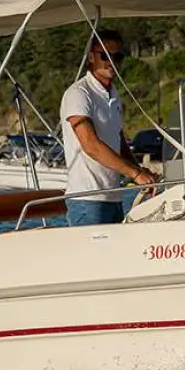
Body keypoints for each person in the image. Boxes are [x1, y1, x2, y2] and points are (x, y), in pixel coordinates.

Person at [60, 29, 157, 225]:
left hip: (114, 198)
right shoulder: (79, 94)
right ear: (90, 58)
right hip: (87, 200)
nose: (111, 61)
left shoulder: (114, 95)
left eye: (118, 56)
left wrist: (141, 172)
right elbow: (91, 146)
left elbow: (118, 139)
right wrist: (135, 174)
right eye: (105, 56)